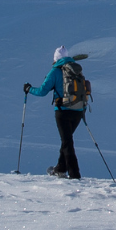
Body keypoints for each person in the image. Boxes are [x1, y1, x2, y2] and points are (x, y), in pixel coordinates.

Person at [24, 45, 86, 180]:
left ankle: (75, 174)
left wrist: (29, 89)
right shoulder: (76, 70)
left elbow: (42, 91)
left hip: (63, 111)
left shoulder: (55, 71)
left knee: (67, 142)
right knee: (66, 141)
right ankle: (60, 169)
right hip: (78, 111)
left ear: (56, 58)